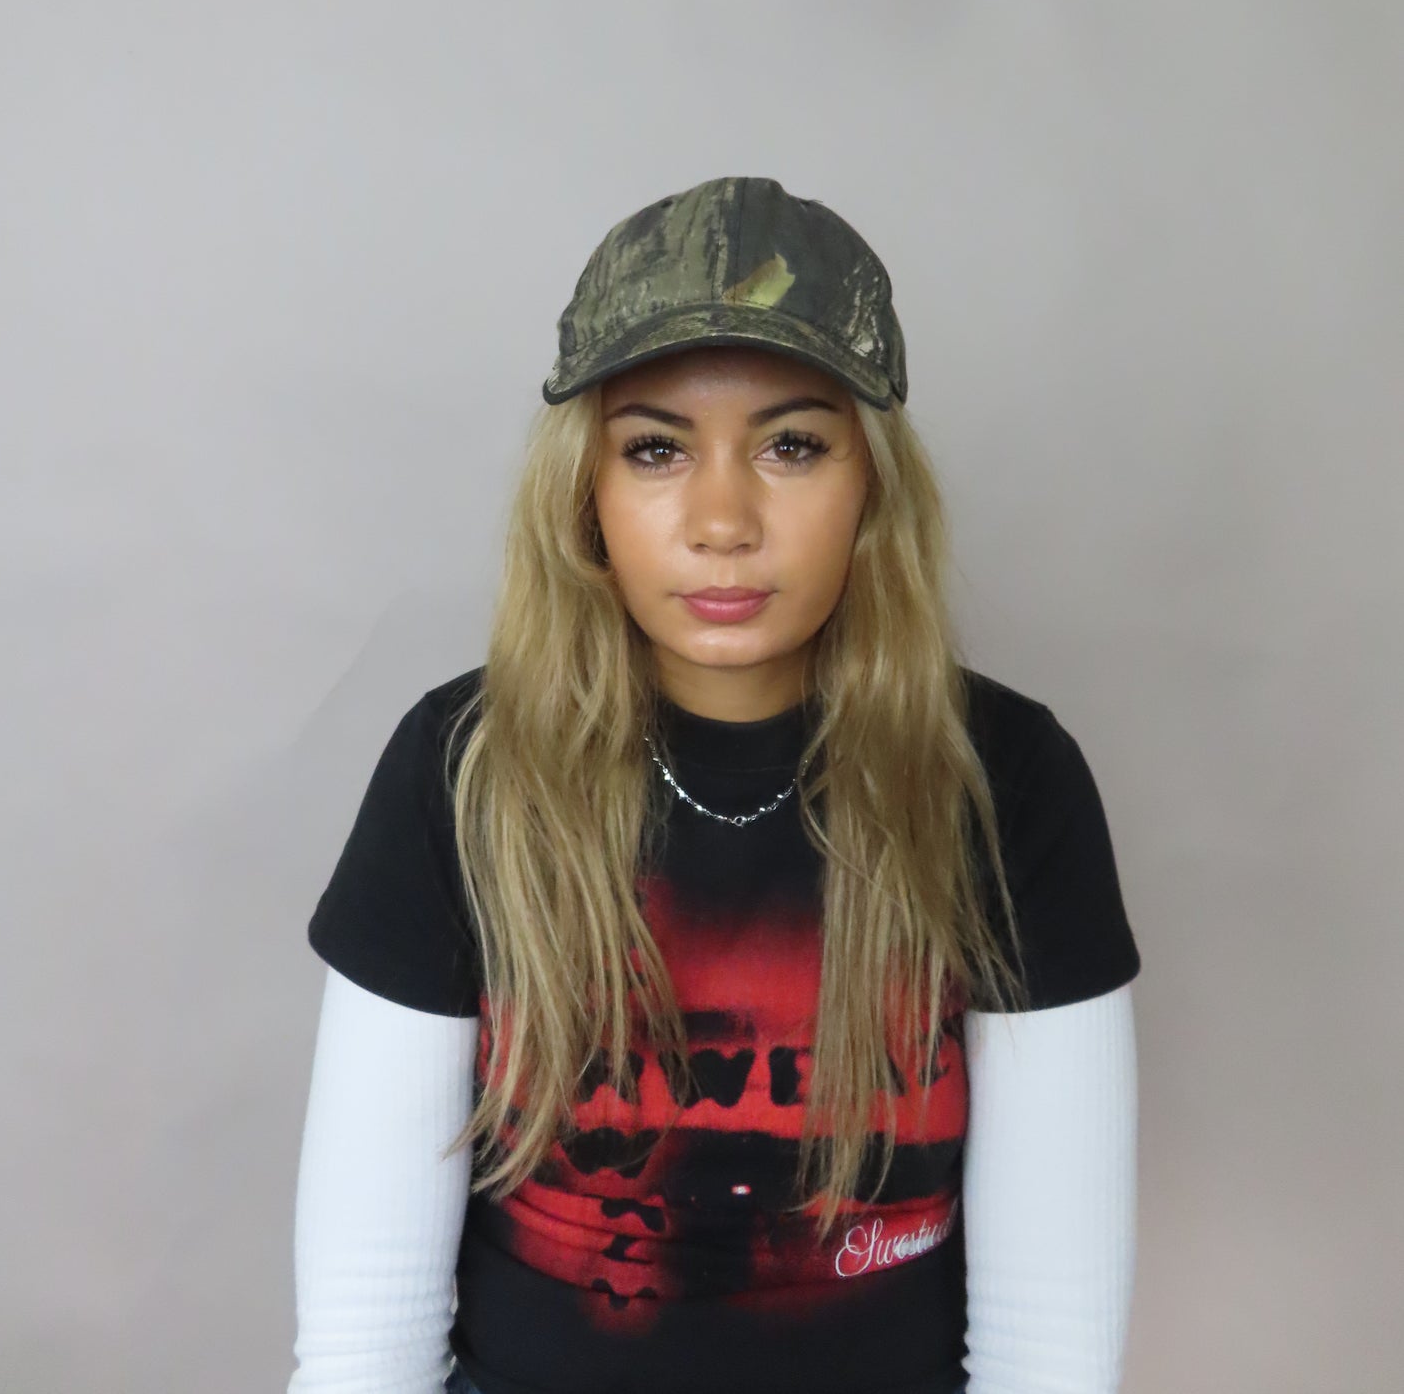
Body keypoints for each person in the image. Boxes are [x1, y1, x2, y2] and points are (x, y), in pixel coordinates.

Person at [286, 175, 1141, 1394]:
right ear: (584, 490)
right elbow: (365, 1338)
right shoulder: (463, 769)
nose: (722, 520)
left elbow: (1044, 1348)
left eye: (791, 445)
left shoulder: (1002, 781)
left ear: (871, 484)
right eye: (655, 449)